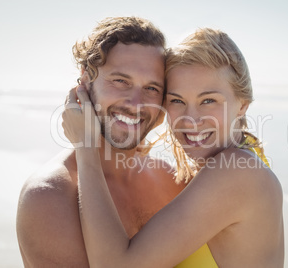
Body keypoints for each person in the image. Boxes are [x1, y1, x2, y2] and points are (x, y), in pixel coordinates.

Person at [62, 28, 284, 267]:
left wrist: (86, 147)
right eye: (177, 100)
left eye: (208, 100)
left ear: (242, 105)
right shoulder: (242, 157)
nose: (190, 119)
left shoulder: (236, 173)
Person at [16, 17, 185, 267]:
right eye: (120, 81)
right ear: (85, 80)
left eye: (151, 88)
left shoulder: (172, 179)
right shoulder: (49, 197)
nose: (136, 103)